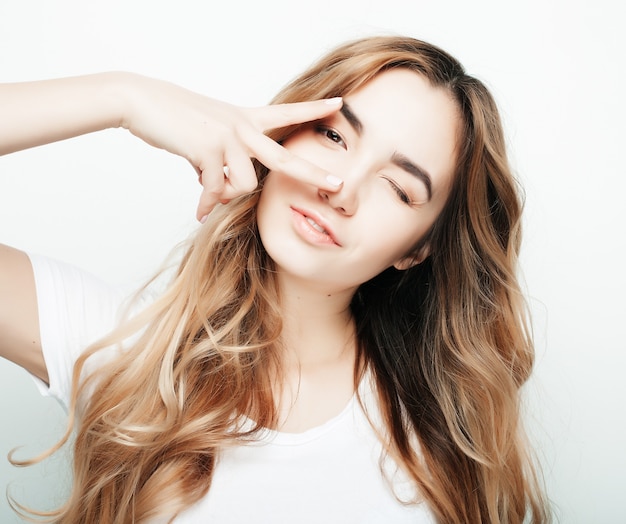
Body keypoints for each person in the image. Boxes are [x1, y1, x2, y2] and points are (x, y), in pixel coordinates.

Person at [0, 36, 550, 523]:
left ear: (418, 250)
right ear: (279, 134)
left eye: (400, 188)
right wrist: (123, 97)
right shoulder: (127, 352)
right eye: (333, 137)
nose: (341, 187)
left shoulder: (444, 446)